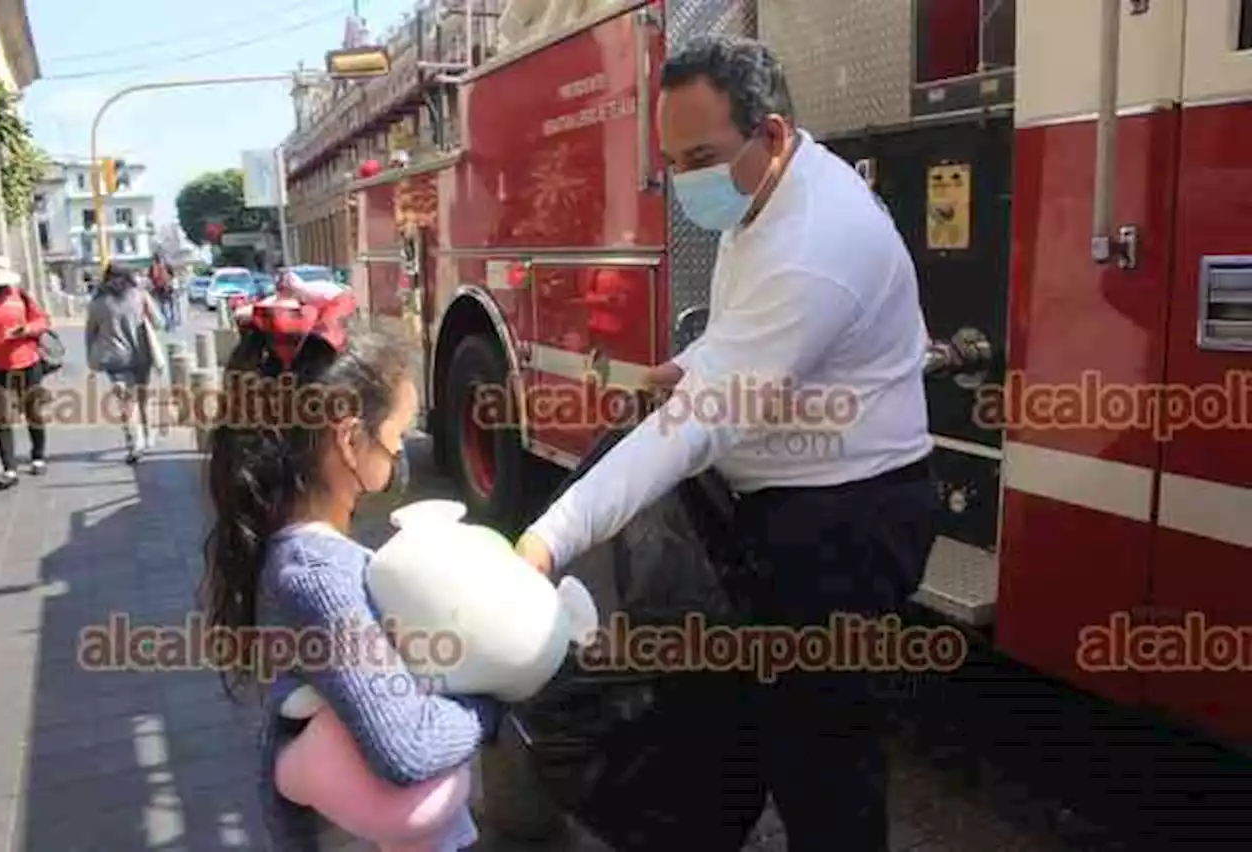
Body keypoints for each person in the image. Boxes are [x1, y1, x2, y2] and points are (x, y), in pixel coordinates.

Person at [516, 36, 936, 852]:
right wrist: (695, 360)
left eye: (701, 155)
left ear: (772, 134)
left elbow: (695, 424)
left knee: (825, 761)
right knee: (772, 728)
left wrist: (547, 539)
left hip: (843, 527)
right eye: (672, 159)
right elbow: (740, 344)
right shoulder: (767, 196)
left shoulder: (817, 243)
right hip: (791, 508)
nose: (686, 181)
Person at [198, 299, 499, 851]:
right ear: (347, 436)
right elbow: (407, 748)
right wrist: (496, 700)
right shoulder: (317, 578)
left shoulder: (301, 552)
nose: (401, 453)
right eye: (398, 435)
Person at [0, 254, 52, 490]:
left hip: (29, 363)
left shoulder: (20, 296)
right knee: (2, 419)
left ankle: (38, 456)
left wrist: (26, 329)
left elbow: (43, 321)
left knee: (33, 412)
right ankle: (9, 468)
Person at [85, 264, 164, 463]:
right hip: (141, 354)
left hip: (114, 359)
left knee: (127, 402)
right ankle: (148, 435)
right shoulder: (140, 296)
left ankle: (134, 443)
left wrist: (91, 358)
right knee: (144, 395)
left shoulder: (97, 303)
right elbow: (159, 322)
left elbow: (90, 334)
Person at [148, 250, 177, 331]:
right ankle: (171, 323)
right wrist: (169, 281)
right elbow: (172, 275)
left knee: (163, 307)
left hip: (159, 289)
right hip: (168, 288)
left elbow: (150, 277)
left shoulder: (153, 267)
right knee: (171, 306)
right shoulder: (166, 265)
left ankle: (167, 323)